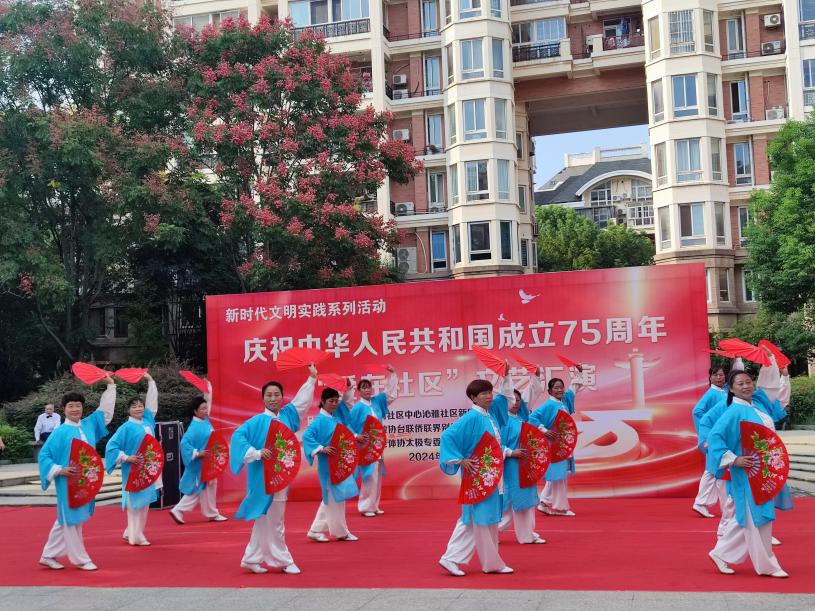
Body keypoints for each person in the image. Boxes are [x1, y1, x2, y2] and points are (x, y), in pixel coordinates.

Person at [229, 365, 317, 574]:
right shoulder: (256, 421)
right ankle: (283, 560)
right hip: (262, 477)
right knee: (275, 519)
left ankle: (251, 558)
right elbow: (238, 438)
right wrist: (257, 452)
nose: (273, 398)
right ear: (263, 398)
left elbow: (302, 402)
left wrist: (312, 379)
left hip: (281, 474)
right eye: (269, 395)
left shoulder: (287, 415)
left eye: (277, 394)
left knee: (264, 517)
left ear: (282, 397)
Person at [706, 367, 789, 577]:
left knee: (751, 517)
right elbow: (714, 437)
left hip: (762, 470)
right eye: (740, 384)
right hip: (747, 473)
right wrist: (733, 459)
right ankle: (768, 565)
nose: (746, 386)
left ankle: (721, 553)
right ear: (731, 389)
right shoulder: (734, 410)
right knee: (755, 517)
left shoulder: (754, 407)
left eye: (748, 382)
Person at [38, 378, 116, 570]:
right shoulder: (59, 432)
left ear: (82, 407)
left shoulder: (88, 425)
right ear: (64, 409)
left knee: (67, 519)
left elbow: (105, 413)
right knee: (72, 518)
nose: (75, 409)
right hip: (67, 482)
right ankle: (81, 559)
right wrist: (59, 469)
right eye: (71, 406)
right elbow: (44, 455)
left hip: (85, 481)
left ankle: (48, 555)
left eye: (78, 405)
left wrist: (111, 386)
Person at [438, 379, 513, 577]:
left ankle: (458, 559)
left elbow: (507, 398)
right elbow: (448, 436)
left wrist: (505, 377)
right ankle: (459, 559)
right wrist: (459, 460)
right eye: (483, 393)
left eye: (490, 392)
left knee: (481, 518)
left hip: (490, 474)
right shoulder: (471, 417)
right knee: (476, 517)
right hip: (478, 475)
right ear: (473, 398)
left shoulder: (490, 415)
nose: (489, 396)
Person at [104, 373, 160, 546]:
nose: (138, 408)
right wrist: (126, 457)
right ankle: (136, 536)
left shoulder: (148, 421)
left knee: (145, 502)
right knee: (135, 503)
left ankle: (132, 532)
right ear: (128, 410)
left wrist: (150, 381)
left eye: (140, 406)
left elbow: (152, 403)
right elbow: (111, 447)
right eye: (134, 406)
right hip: (133, 469)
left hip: (148, 468)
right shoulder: (125, 428)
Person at [303, 387, 360, 542]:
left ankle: (318, 530)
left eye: (336, 401)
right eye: (331, 401)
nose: (334, 404)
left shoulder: (335, 418)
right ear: (322, 402)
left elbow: (344, 433)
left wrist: (354, 438)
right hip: (328, 465)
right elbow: (307, 436)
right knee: (333, 497)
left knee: (335, 497)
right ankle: (337, 532)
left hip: (338, 462)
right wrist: (321, 448)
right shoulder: (319, 421)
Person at [529, 367, 587, 516]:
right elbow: (532, 418)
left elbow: (574, 388)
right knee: (559, 475)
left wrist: (579, 373)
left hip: (564, 443)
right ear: (549, 391)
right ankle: (561, 508)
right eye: (556, 388)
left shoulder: (564, 401)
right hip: (554, 445)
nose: (559, 390)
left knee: (557, 474)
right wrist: (544, 430)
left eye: (561, 387)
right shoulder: (548, 405)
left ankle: (544, 501)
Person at [170, 381, 228, 524]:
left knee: (206, 487)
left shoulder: (205, 421)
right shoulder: (194, 428)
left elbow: (208, 401)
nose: (206, 410)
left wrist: (208, 388)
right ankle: (180, 509)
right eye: (202, 409)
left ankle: (210, 513)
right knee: (199, 489)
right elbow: (184, 444)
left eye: (206, 408)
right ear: (195, 411)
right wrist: (197, 453)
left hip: (208, 463)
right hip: (200, 465)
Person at [348, 366, 398, 517]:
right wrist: (356, 435)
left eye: (369, 387)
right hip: (365, 446)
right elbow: (348, 424)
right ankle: (365, 507)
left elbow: (390, 394)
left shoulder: (377, 401)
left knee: (377, 476)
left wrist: (393, 375)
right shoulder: (357, 407)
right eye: (364, 388)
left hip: (378, 444)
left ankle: (374, 505)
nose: (367, 390)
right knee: (369, 475)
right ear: (359, 391)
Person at [499, 386, 546, 545]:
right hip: (512, 466)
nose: (516, 403)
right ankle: (523, 535)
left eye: (518, 400)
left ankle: (526, 534)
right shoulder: (503, 421)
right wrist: (511, 452)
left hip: (525, 464)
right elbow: (496, 444)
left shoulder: (520, 418)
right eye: (512, 400)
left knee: (523, 500)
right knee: (517, 500)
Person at [690, 365, 728, 518]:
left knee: (716, 470)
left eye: (721, 375)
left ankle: (708, 503)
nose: (719, 377)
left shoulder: (723, 392)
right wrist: (706, 435)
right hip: (715, 437)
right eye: (716, 375)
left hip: (722, 436)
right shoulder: (711, 393)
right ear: (710, 377)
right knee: (713, 470)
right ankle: (702, 503)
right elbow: (697, 412)